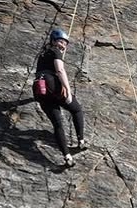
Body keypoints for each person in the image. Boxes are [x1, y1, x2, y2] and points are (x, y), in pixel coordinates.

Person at [34, 28, 87, 167]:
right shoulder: (55, 51)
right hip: (52, 83)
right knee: (76, 109)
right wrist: (68, 91)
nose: (63, 45)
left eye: (65, 43)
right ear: (53, 41)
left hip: (39, 88)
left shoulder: (43, 54)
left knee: (57, 124)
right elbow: (60, 70)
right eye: (61, 41)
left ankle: (67, 157)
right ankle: (81, 142)